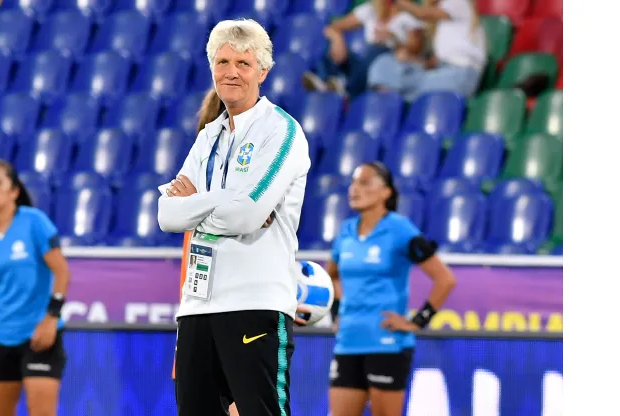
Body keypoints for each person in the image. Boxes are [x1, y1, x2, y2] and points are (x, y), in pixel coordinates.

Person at [158, 18, 312, 416]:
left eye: (243, 63)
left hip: (255, 301)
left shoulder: (281, 131)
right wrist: (227, 205)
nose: (231, 72)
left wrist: (201, 208)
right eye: (222, 61)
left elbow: (247, 216)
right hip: (197, 306)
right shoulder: (207, 136)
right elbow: (166, 214)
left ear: (263, 71)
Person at [326, 162, 457, 416]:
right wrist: (336, 311)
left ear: (386, 192)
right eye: (353, 182)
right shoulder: (346, 231)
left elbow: (445, 279)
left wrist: (417, 322)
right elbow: (331, 276)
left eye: (364, 182)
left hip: (386, 343)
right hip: (348, 341)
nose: (354, 189)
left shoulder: (400, 229)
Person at [0, 160, 71, 416]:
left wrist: (51, 318)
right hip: (0, 338)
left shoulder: (34, 222)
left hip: (39, 336)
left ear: (14, 191)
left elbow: (62, 271)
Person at [367, 0, 487, 101]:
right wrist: (412, 60)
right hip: (442, 72)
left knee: (407, 83)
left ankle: (389, 103)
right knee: (383, 63)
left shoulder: (457, 2)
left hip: (461, 75)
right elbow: (432, 63)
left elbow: (421, 14)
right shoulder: (445, 28)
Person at [302, 0, 423, 98]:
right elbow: (332, 28)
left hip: (390, 61)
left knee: (378, 50)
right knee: (331, 44)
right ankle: (325, 81)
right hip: (366, 62)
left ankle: (343, 87)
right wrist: (337, 40)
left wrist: (393, 39)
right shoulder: (371, 10)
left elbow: (415, 47)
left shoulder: (409, 14)